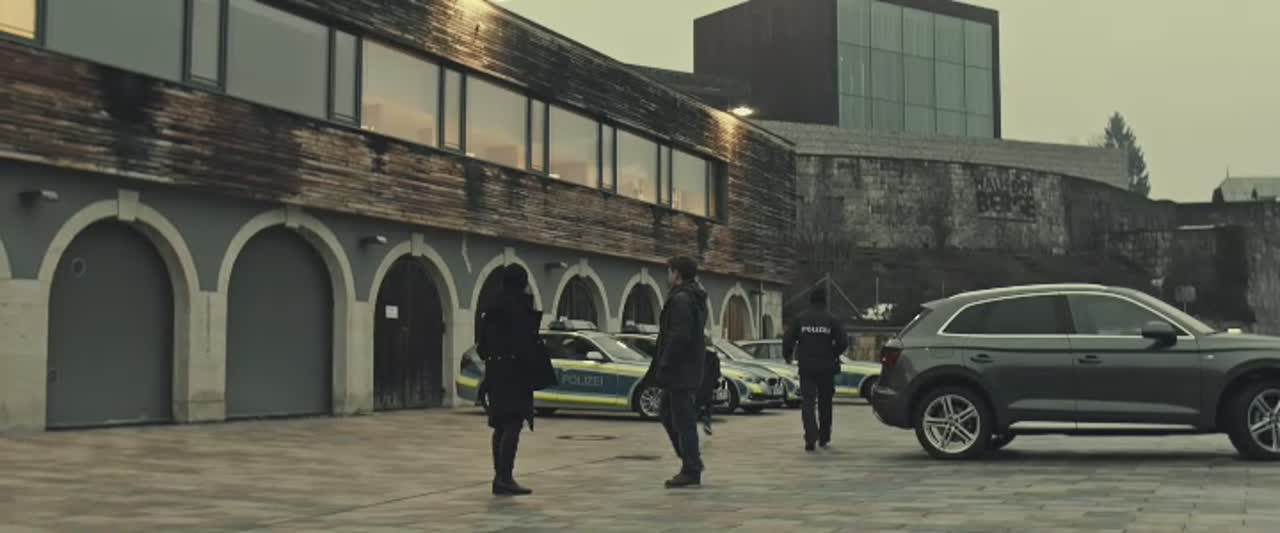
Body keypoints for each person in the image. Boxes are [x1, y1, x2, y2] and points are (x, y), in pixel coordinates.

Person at [475, 265, 556, 496]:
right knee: (512, 423)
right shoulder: (518, 307)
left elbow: (481, 347)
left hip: (495, 371)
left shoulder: (491, 306)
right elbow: (525, 343)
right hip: (515, 372)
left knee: (501, 423)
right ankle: (505, 478)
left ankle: (499, 477)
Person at [646, 256, 708, 488]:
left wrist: (665, 363)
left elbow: (679, 336)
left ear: (677, 274)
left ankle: (691, 468)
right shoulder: (692, 296)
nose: (667, 276)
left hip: (680, 370)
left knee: (683, 420)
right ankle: (691, 460)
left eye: (669, 271)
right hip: (685, 369)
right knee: (668, 413)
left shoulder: (682, 299)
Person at [783, 289, 849, 451]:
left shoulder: (800, 319)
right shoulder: (832, 320)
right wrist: (832, 353)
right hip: (827, 367)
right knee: (825, 403)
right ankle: (824, 437)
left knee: (808, 402)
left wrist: (787, 355)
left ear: (810, 301)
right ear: (824, 302)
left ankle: (810, 437)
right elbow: (843, 342)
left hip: (807, 367)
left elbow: (788, 339)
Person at [696, 342, 721, 436]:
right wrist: (715, 383)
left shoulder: (696, 354)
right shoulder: (714, 357)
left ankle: (693, 422)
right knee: (708, 404)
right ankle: (707, 421)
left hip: (696, 384)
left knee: (695, 405)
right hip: (708, 385)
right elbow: (717, 373)